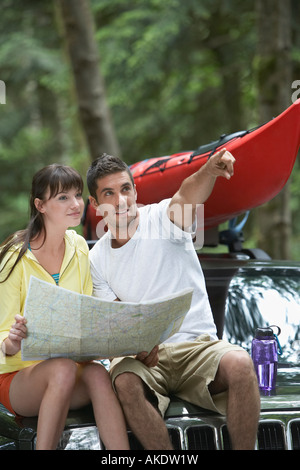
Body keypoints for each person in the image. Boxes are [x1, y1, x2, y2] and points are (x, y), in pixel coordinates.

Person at [87, 151, 261, 450]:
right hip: (144, 361)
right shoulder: (96, 259)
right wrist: (138, 346)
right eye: (109, 193)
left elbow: (186, 195)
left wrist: (209, 170)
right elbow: (116, 322)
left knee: (242, 364)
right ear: (95, 204)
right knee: (124, 381)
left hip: (197, 347)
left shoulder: (162, 218)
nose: (121, 200)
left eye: (125, 189)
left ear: (135, 190)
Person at [0, 164, 129, 450]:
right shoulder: (13, 256)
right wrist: (10, 341)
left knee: (97, 373)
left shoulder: (79, 246)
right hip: (18, 378)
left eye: (77, 195)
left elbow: (85, 314)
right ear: (40, 205)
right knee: (62, 369)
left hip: (72, 367)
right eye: (62, 198)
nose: (75, 204)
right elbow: (2, 337)